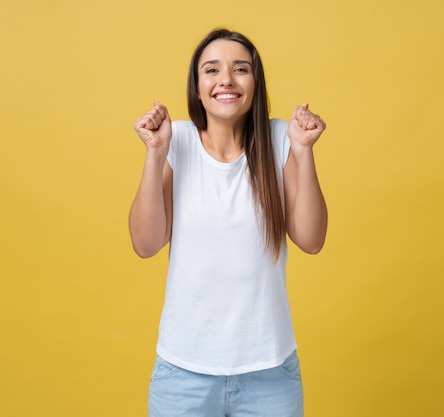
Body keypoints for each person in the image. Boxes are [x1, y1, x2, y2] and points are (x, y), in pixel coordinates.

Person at [129, 28, 328, 417]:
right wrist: (155, 155)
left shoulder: (278, 139)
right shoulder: (178, 142)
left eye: (240, 69)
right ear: (198, 86)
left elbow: (311, 238)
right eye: (212, 70)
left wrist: (303, 153)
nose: (226, 80)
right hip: (183, 373)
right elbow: (146, 244)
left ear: (255, 83)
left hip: (269, 372)